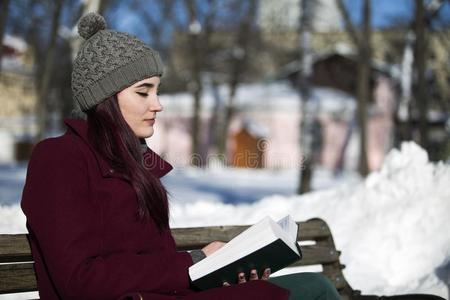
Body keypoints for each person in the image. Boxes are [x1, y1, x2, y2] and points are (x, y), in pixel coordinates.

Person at [21, 12, 341, 300]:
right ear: (105, 97)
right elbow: (79, 280)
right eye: (143, 92)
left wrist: (219, 271)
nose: (157, 104)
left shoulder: (136, 166)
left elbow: (156, 265)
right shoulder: (58, 159)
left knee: (310, 287)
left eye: (157, 91)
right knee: (313, 291)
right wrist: (194, 262)